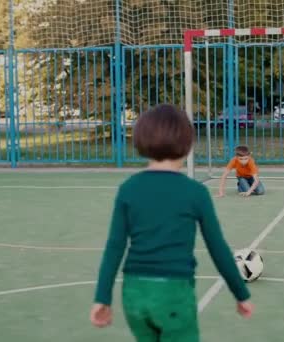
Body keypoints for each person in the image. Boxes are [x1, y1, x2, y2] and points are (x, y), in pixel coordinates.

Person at [90, 104, 254, 341]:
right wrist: (241, 293)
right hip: (174, 293)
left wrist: (102, 297)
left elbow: (114, 247)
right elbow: (217, 247)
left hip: (135, 294)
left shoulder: (128, 189)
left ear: (140, 141)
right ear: (187, 145)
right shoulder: (195, 193)